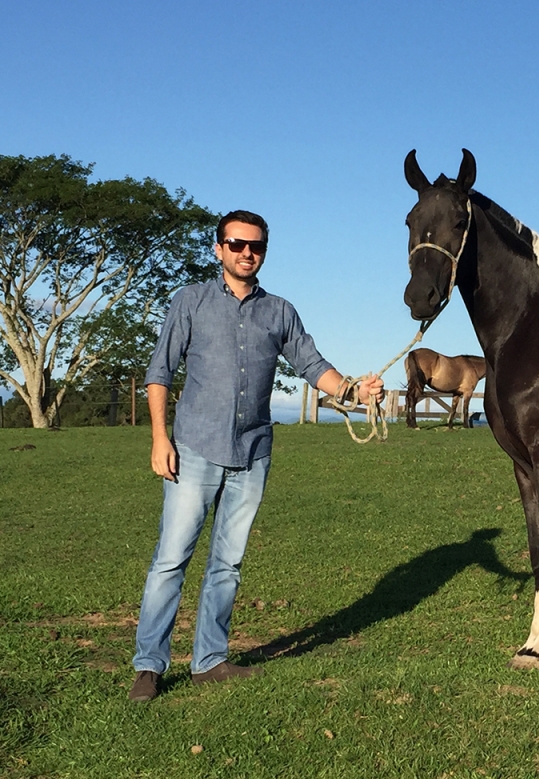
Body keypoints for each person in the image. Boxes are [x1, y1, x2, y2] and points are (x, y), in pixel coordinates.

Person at [128, 210, 383, 702]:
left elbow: (312, 365)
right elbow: (159, 371)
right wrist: (160, 439)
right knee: (170, 560)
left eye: (257, 246)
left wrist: (353, 389)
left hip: (253, 452)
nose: (248, 253)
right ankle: (149, 665)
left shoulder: (280, 312)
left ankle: (209, 661)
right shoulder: (191, 301)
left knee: (228, 563)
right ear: (218, 248)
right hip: (194, 449)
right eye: (238, 244)